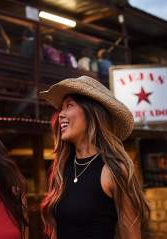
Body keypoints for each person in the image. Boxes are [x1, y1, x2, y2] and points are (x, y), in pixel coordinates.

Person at [40, 75, 149, 239]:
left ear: (91, 113)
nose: (61, 114)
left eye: (69, 105)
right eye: (61, 108)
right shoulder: (61, 170)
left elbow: (130, 234)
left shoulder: (113, 170)